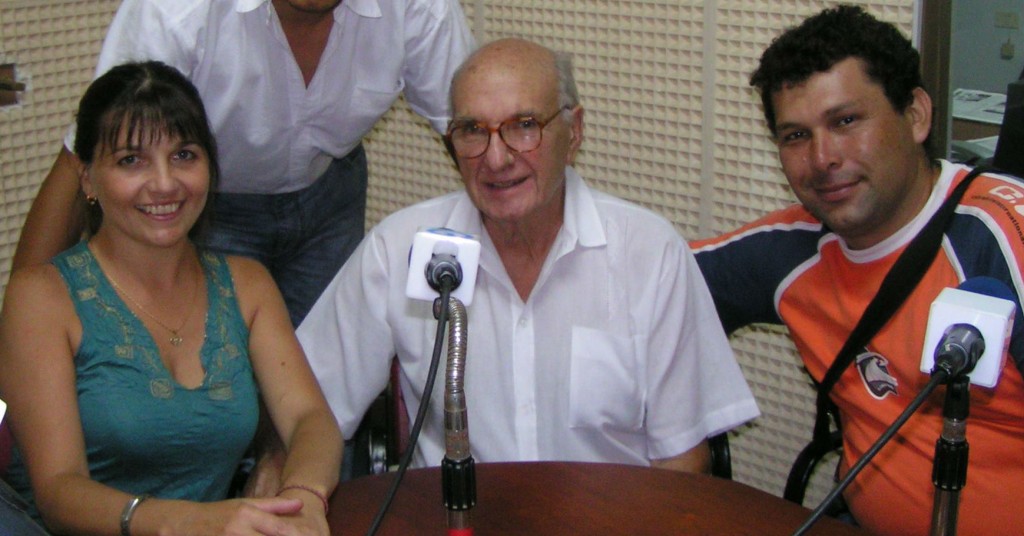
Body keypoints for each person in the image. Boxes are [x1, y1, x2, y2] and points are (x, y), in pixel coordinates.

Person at [296, 38, 760, 472]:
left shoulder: (649, 253)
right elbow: (306, 407)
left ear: (574, 131)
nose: (496, 159)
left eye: (523, 127)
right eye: (472, 131)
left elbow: (683, 460)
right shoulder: (399, 250)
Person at [691, 5, 1024, 535]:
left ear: (915, 115)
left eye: (846, 121)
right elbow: (644, 282)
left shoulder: (1002, 239)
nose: (822, 158)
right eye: (795, 136)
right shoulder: (791, 253)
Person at [0, 61, 342, 535]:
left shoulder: (246, 284)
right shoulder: (41, 297)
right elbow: (59, 490)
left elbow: (311, 420)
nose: (164, 183)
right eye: (130, 160)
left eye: (184, 155)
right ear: (86, 177)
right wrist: (192, 522)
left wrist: (302, 496)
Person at [12, 0, 475, 328]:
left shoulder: (420, 7)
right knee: (209, 391)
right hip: (203, 209)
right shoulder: (173, 10)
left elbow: (474, 130)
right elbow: (84, 162)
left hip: (329, 198)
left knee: (325, 386)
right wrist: (21, 328)